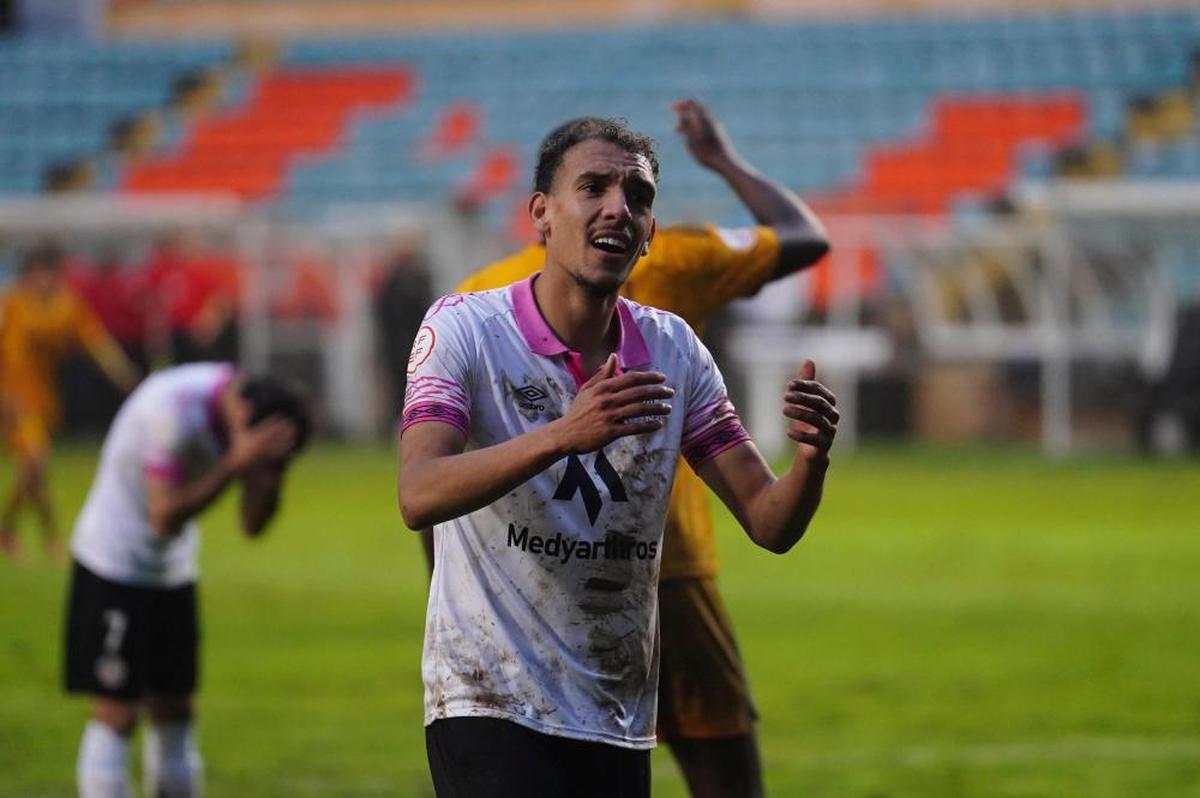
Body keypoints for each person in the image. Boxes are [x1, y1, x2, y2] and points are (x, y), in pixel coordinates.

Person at [398, 116, 838, 797]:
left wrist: (811, 460)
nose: (617, 208)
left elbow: (770, 522)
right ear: (541, 214)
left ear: (650, 232)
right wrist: (561, 436)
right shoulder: (464, 326)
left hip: (614, 707)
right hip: (490, 696)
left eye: (637, 195)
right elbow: (418, 493)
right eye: (594, 187)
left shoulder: (675, 348)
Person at [64, 364, 311, 798]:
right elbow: (164, 518)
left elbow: (252, 527)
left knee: (175, 709)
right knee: (119, 710)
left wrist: (270, 474)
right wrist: (236, 464)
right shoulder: (172, 410)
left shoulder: (253, 414)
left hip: (172, 570)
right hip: (114, 562)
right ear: (243, 412)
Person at [0, 243, 140, 563]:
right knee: (35, 463)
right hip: (14, 400)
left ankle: (10, 532)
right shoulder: (12, 305)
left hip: (46, 399)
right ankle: (47, 538)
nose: (43, 281)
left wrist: (124, 376)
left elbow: (98, 344)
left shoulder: (68, 307)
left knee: (33, 471)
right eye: (37, 274)